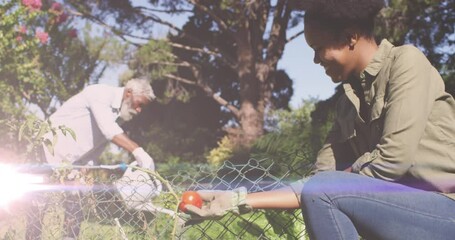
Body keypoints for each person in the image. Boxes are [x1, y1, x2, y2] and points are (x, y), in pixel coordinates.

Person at [183, 1, 455, 239]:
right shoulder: (347, 105)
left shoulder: (406, 63)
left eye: (319, 47)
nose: (315, 59)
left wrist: (337, 180)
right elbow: (318, 182)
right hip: (401, 212)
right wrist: (237, 200)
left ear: (350, 37)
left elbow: (391, 162)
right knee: (320, 191)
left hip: (446, 211)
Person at [26, 78, 157, 240]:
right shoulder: (100, 93)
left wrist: (86, 167)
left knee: (75, 207)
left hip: (72, 163)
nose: (139, 110)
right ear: (128, 93)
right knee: (38, 205)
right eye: (139, 104)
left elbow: (96, 145)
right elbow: (108, 130)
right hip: (47, 151)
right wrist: (138, 150)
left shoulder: (119, 116)